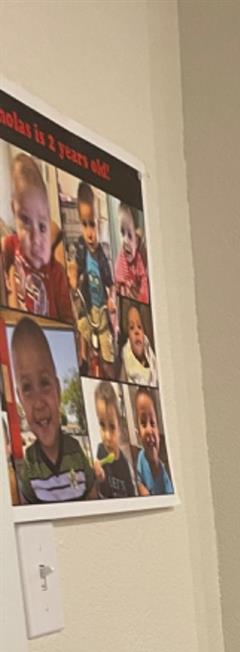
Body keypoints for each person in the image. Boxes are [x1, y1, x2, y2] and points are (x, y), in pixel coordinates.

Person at [9, 317, 95, 504]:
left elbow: (92, 492)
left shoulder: (75, 450)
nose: (39, 403)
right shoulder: (30, 463)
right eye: (27, 388)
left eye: (45, 383)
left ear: (58, 389)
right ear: (20, 399)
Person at [2, 153, 71, 321]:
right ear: (14, 211)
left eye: (42, 227)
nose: (35, 239)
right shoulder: (13, 245)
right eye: (25, 221)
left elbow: (68, 320)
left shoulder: (56, 273)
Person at [69, 181, 116, 373]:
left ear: (100, 224)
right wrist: (72, 277)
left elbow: (111, 283)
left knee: (107, 342)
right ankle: (83, 362)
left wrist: (111, 298)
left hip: (101, 309)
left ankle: (109, 367)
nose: (90, 232)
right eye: (85, 225)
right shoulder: (80, 247)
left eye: (93, 225)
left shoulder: (102, 255)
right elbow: (74, 265)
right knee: (82, 328)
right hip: (87, 306)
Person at [92, 381, 135, 499]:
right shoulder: (100, 450)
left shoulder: (125, 467)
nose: (107, 436)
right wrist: (97, 479)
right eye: (102, 425)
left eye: (112, 427)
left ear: (120, 428)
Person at [133, 388, 171, 495]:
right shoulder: (140, 457)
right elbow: (139, 481)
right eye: (144, 423)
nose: (149, 430)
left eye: (153, 423)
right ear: (138, 434)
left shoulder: (165, 473)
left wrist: (155, 463)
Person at [114, 202, 149, 303]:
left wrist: (141, 300)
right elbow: (117, 279)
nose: (125, 240)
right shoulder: (122, 255)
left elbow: (144, 282)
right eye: (122, 232)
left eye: (130, 235)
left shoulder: (139, 258)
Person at [120, 302, 157, 385]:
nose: (136, 332)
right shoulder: (127, 366)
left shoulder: (152, 360)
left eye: (139, 327)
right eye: (132, 328)